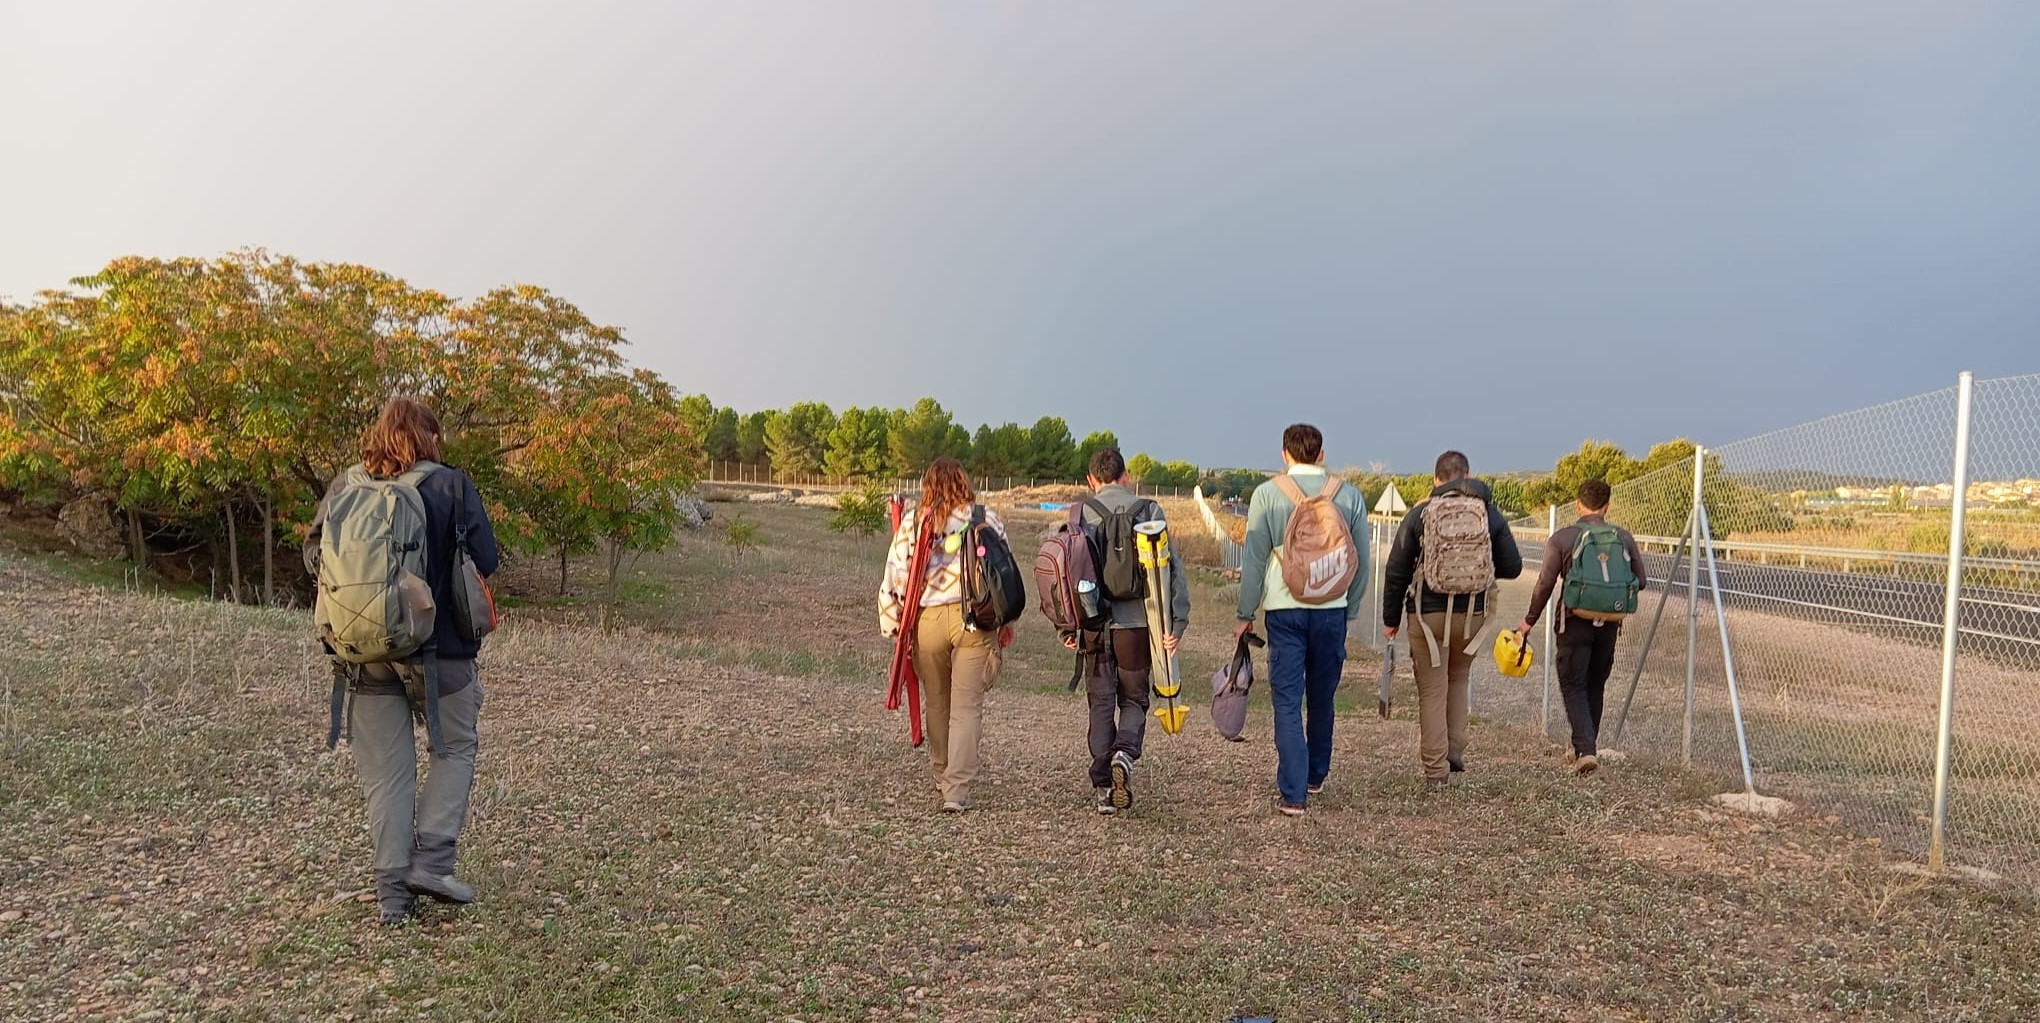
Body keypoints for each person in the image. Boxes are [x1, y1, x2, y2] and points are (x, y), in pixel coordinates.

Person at [306, 396, 500, 926]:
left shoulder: (345, 486)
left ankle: (393, 898)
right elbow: (489, 558)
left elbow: (312, 557)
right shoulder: (451, 485)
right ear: (429, 437)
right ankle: (433, 864)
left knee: (388, 776)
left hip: (362, 653)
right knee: (454, 746)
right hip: (444, 655)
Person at [1233, 424, 1371, 816]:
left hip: (1285, 609)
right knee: (1323, 697)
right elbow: (1361, 560)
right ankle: (1316, 775)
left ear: (1285, 454)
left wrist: (1245, 614)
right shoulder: (1349, 496)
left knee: (1288, 700)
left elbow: (1255, 560)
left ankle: (1294, 793)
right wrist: (1352, 607)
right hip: (1332, 611)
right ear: (1322, 454)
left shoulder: (1267, 495)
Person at [1380, 450, 1523, 791]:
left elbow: (1396, 570)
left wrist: (1391, 620)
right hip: (1473, 614)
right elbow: (1513, 566)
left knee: (1432, 688)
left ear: (1436, 479)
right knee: (1458, 678)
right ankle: (1454, 749)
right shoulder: (1488, 513)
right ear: (1468, 475)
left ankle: (1435, 771)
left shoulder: (1421, 514)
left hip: (1428, 617)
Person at [879, 457, 1013, 812]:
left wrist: (893, 624)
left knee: (937, 701)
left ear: (928, 486)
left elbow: (895, 574)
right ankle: (956, 791)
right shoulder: (987, 518)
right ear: (964, 483)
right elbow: (1005, 573)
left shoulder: (914, 520)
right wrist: (1006, 623)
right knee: (966, 708)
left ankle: (941, 772)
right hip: (977, 617)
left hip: (929, 620)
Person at [1067, 447, 1190, 815]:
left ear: (1092, 480)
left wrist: (1069, 627)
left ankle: (1103, 788)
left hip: (1096, 628)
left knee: (1101, 703)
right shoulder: (1149, 511)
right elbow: (1173, 573)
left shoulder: (1083, 513)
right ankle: (1124, 753)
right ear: (1125, 476)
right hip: (1138, 627)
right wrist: (1177, 622)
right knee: (1135, 699)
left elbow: (1070, 574)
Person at [1519, 478, 1649, 776]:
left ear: (1578, 504)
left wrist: (1529, 620)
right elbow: (1640, 581)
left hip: (1573, 622)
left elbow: (1545, 584)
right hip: (1610, 624)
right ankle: (1584, 746)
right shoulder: (1623, 537)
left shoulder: (1563, 538)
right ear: (1607, 505)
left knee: (1573, 684)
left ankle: (1586, 750)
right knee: (1594, 684)